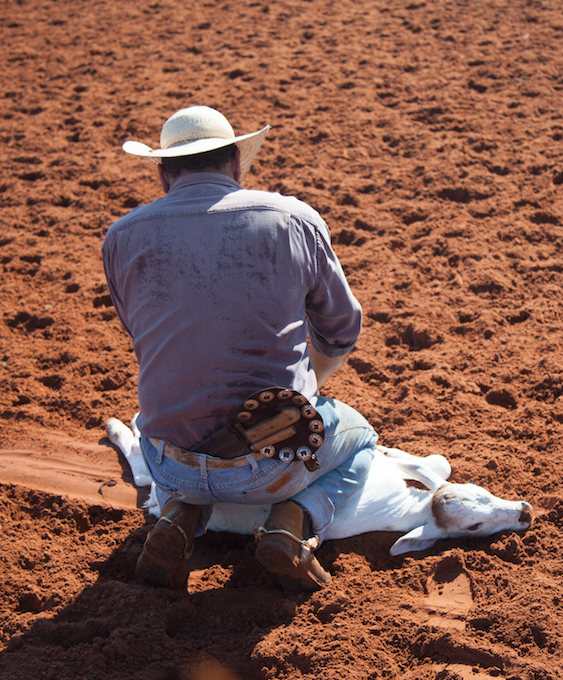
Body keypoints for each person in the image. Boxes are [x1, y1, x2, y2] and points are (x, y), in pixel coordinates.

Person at [102, 105, 377, 590]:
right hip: (272, 466)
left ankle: (181, 514)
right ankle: (292, 519)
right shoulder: (293, 218)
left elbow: (140, 333)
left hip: (169, 460)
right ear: (235, 164)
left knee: (182, 446)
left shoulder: (121, 236)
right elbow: (341, 328)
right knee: (360, 437)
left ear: (163, 174)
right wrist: (305, 388)